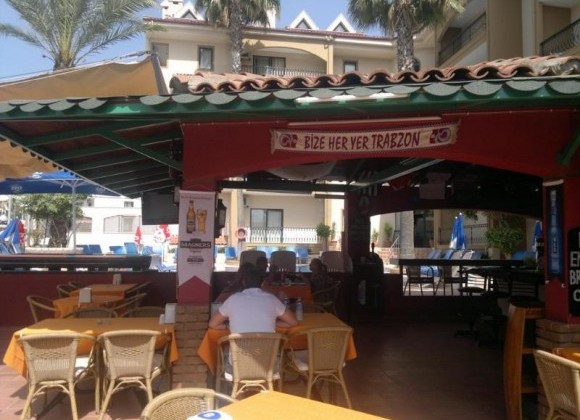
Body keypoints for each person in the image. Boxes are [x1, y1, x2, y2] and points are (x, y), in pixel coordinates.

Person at [209, 266, 298, 333]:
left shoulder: (233, 299)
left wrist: (226, 326)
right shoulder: (271, 299)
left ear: (243, 282)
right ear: (262, 283)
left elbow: (213, 324)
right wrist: (275, 323)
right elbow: (293, 322)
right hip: (268, 352)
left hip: (239, 352)